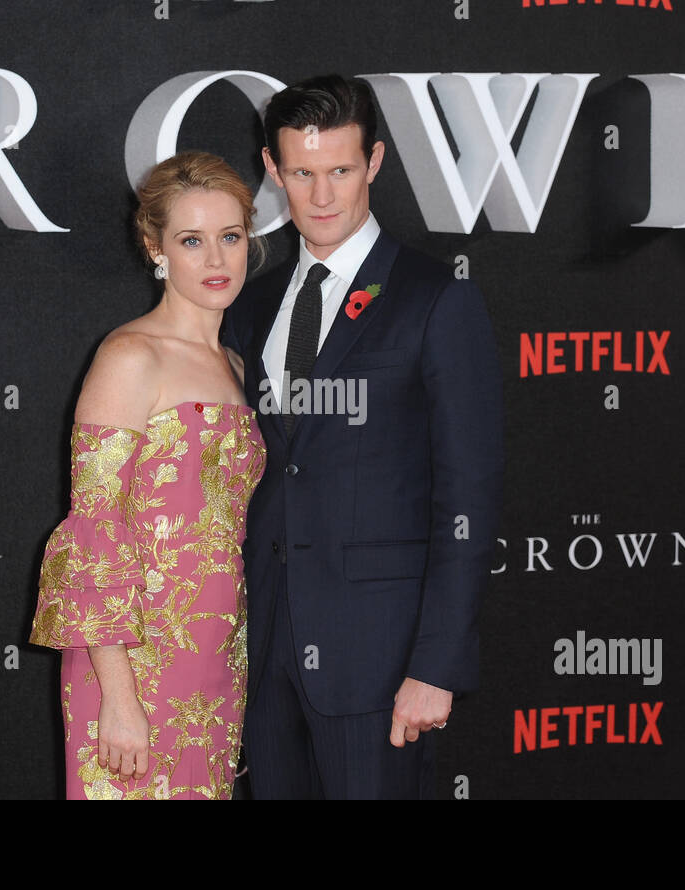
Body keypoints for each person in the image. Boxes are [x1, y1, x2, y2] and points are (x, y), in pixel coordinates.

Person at [224, 74, 504, 799]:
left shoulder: (435, 298)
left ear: (374, 162)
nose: (322, 197)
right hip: (263, 656)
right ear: (274, 170)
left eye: (341, 171)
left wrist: (436, 666)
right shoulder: (251, 308)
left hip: (380, 664)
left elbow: (468, 492)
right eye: (303, 174)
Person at [30, 151, 267, 800]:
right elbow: (92, 534)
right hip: (133, 663)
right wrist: (118, 697)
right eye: (192, 241)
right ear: (154, 246)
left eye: (230, 237)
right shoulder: (130, 357)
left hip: (218, 660)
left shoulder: (240, 369)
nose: (216, 261)